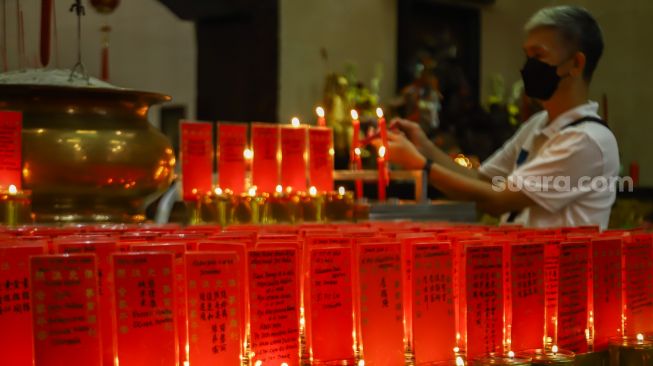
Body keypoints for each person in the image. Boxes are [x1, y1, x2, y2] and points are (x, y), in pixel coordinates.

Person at [381, 5, 619, 229]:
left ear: (575, 64)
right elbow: (484, 181)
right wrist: (425, 147)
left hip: (557, 270)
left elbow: (497, 201)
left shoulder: (588, 140)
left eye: (539, 55)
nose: (528, 67)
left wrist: (421, 165)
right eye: (527, 56)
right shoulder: (539, 124)